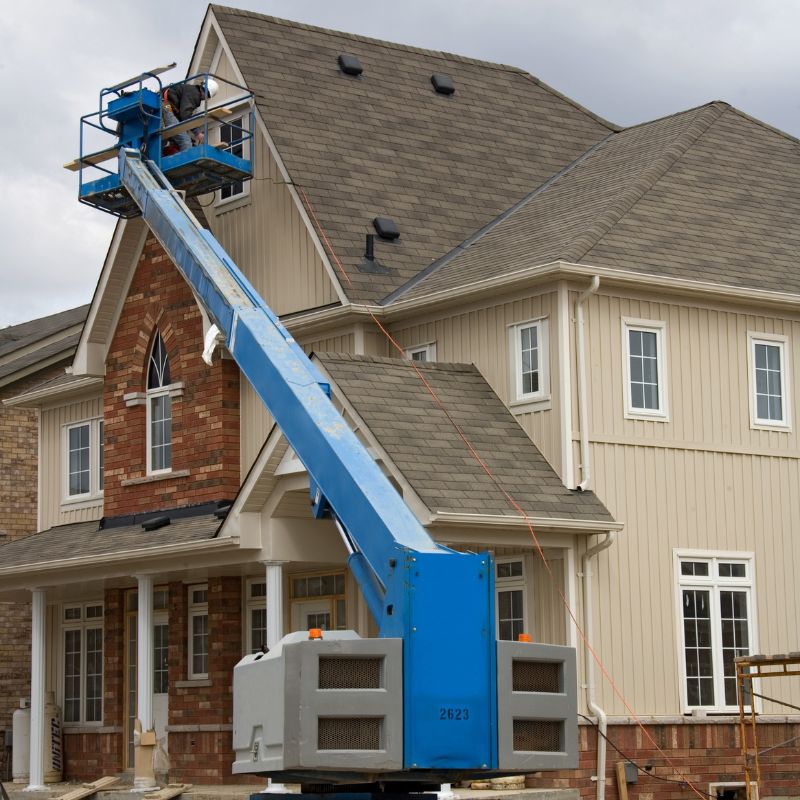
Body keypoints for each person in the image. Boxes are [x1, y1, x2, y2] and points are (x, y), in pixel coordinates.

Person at [162, 78, 219, 152]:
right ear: (206, 93)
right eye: (207, 97)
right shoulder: (195, 94)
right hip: (166, 105)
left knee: (165, 138)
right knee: (185, 142)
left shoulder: (192, 91)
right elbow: (185, 115)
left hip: (166, 105)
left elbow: (182, 115)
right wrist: (197, 133)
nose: (205, 99)